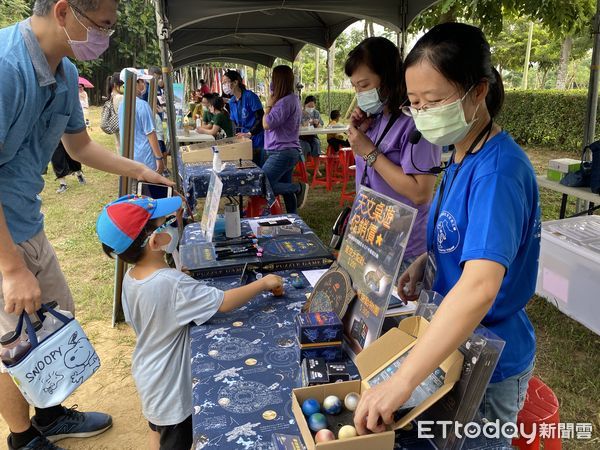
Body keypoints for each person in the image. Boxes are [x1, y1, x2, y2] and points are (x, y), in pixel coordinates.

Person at [354, 23, 540, 441]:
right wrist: (429, 260)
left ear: (478, 91)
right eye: (414, 103)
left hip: (489, 359)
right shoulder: (460, 155)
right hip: (452, 345)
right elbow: (465, 238)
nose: (422, 114)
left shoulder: (498, 171)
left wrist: (402, 381)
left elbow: (480, 288)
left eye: (433, 101)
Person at [0, 1, 172, 449]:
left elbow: (79, 147)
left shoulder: (61, 75)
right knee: (10, 343)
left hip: (26, 222)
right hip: (1, 238)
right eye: (103, 27)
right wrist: (11, 268)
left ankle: (51, 413)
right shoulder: (5, 68)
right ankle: (23, 439)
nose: (106, 38)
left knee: (57, 317)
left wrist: (141, 170)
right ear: (63, 12)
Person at [96, 194, 283, 450]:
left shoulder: (132, 276)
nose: (174, 225)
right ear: (154, 241)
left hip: (150, 374)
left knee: (157, 432)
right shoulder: (172, 284)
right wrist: (263, 283)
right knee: (174, 441)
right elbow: (224, 302)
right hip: (172, 387)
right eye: (168, 222)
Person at [345, 37, 441, 270]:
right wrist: (360, 131)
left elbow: (421, 193)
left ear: (387, 77)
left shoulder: (414, 122)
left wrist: (370, 151)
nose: (360, 93)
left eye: (365, 85)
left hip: (401, 248)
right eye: (356, 86)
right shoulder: (377, 118)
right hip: (369, 236)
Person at [262, 65, 309, 213]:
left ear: (278, 81)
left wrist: (268, 106)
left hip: (281, 151)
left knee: (261, 184)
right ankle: (293, 218)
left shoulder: (285, 102)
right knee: (284, 187)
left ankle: (298, 188)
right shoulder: (290, 99)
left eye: (273, 80)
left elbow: (266, 124)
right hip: (285, 150)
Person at [118, 68, 165, 174]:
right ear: (136, 82)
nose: (144, 84)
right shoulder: (142, 105)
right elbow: (151, 134)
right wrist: (159, 158)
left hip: (131, 157)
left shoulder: (122, 105)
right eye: (142, 81)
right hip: (146, 158)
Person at [223, 70, 265, 166]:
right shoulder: (232, 102)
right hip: (242, 140)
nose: (224, 85)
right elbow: (234, 123)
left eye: (226, 82)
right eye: (223, 83)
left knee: (257, 169)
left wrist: (250, 133)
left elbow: (260, 118)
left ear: (235, 82)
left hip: (256, 140)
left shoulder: (250, 96)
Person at [299, 95, 324, 160]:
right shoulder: (300, 113)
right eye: (309, 106)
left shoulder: (316, 113)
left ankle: (316, 169)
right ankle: (303, 167)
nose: (310, 108)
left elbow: (321, 126)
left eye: (312, 106)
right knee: (305, 146)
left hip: (312, 136)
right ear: (305, 105)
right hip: (301, 137)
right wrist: (305, 124)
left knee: (316, 144)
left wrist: (317, 123)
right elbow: (296, 126)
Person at [106, 72, 123, 151]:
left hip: (118, 134)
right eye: (123, 84)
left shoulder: (112, 97)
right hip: (123, 134)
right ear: (116, 85)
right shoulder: (120, 98)